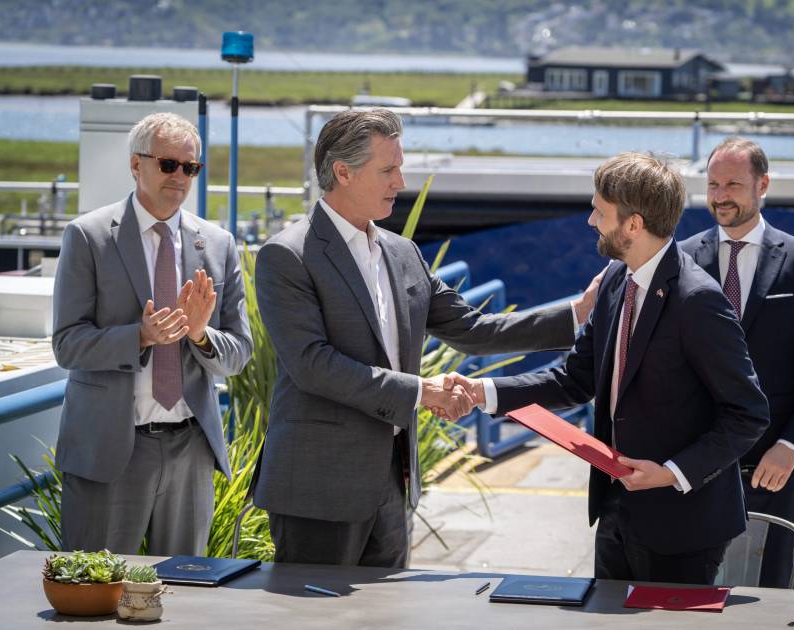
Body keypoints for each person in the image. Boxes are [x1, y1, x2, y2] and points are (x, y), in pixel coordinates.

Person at [251, 108, 601, 567]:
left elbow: (474, 330)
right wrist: (422, 392)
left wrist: (576, 314)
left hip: (393, 486)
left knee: (388, 616)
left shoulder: (403, 253)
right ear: (343, 172)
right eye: (388, 169)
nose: (400, 181)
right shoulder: (287, 256)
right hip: (319, 488)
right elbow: (314, 366)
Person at [447, 152, 769, 585]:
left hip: (682, 527)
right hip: (617, 511)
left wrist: (672, 473)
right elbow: (573, 379)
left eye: (600, 211)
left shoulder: (698, 302)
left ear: (633, 224)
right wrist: (480, 392)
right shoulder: (617, 281)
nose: (591, 221)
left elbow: (747, 414)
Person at [52, 112, 253, 555]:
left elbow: (238, 353)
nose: (180, 177)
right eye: (168, 164)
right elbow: (66, 344)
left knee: (184, 597)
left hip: (190, 449)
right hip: (110, 452)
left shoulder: (217, 245)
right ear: (135, 165)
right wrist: (139, 337)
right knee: (95, 598)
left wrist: (201, 335)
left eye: (190, 167)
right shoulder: (88, 236)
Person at [680, 137, 794, 588]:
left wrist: (792, 446)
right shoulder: (682, 259)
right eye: (713, 184)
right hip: (694, 463)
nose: (719, 195)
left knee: (769, 593)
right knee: (690, 594)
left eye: (732, 183)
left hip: (776, 465)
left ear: (763, 184)